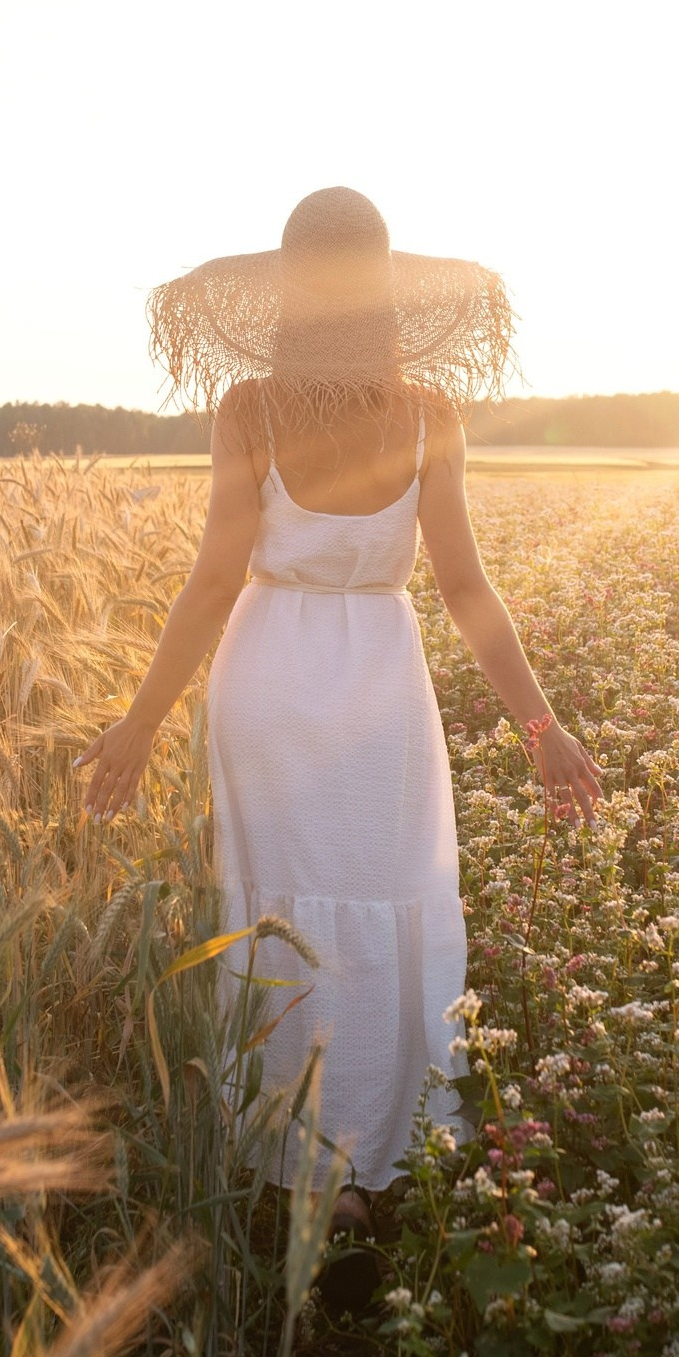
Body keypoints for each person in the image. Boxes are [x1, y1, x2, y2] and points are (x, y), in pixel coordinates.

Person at [74, 186, 602, 1227]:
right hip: (380, 687)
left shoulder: (247, 411)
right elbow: (464, 589)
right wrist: (542, 730)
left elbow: (211, 585)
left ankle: (301, 1172)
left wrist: (140, 723)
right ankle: (385, 1160)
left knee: (276, 913)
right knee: (389, 899)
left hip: (267, 674)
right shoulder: (426, 415)